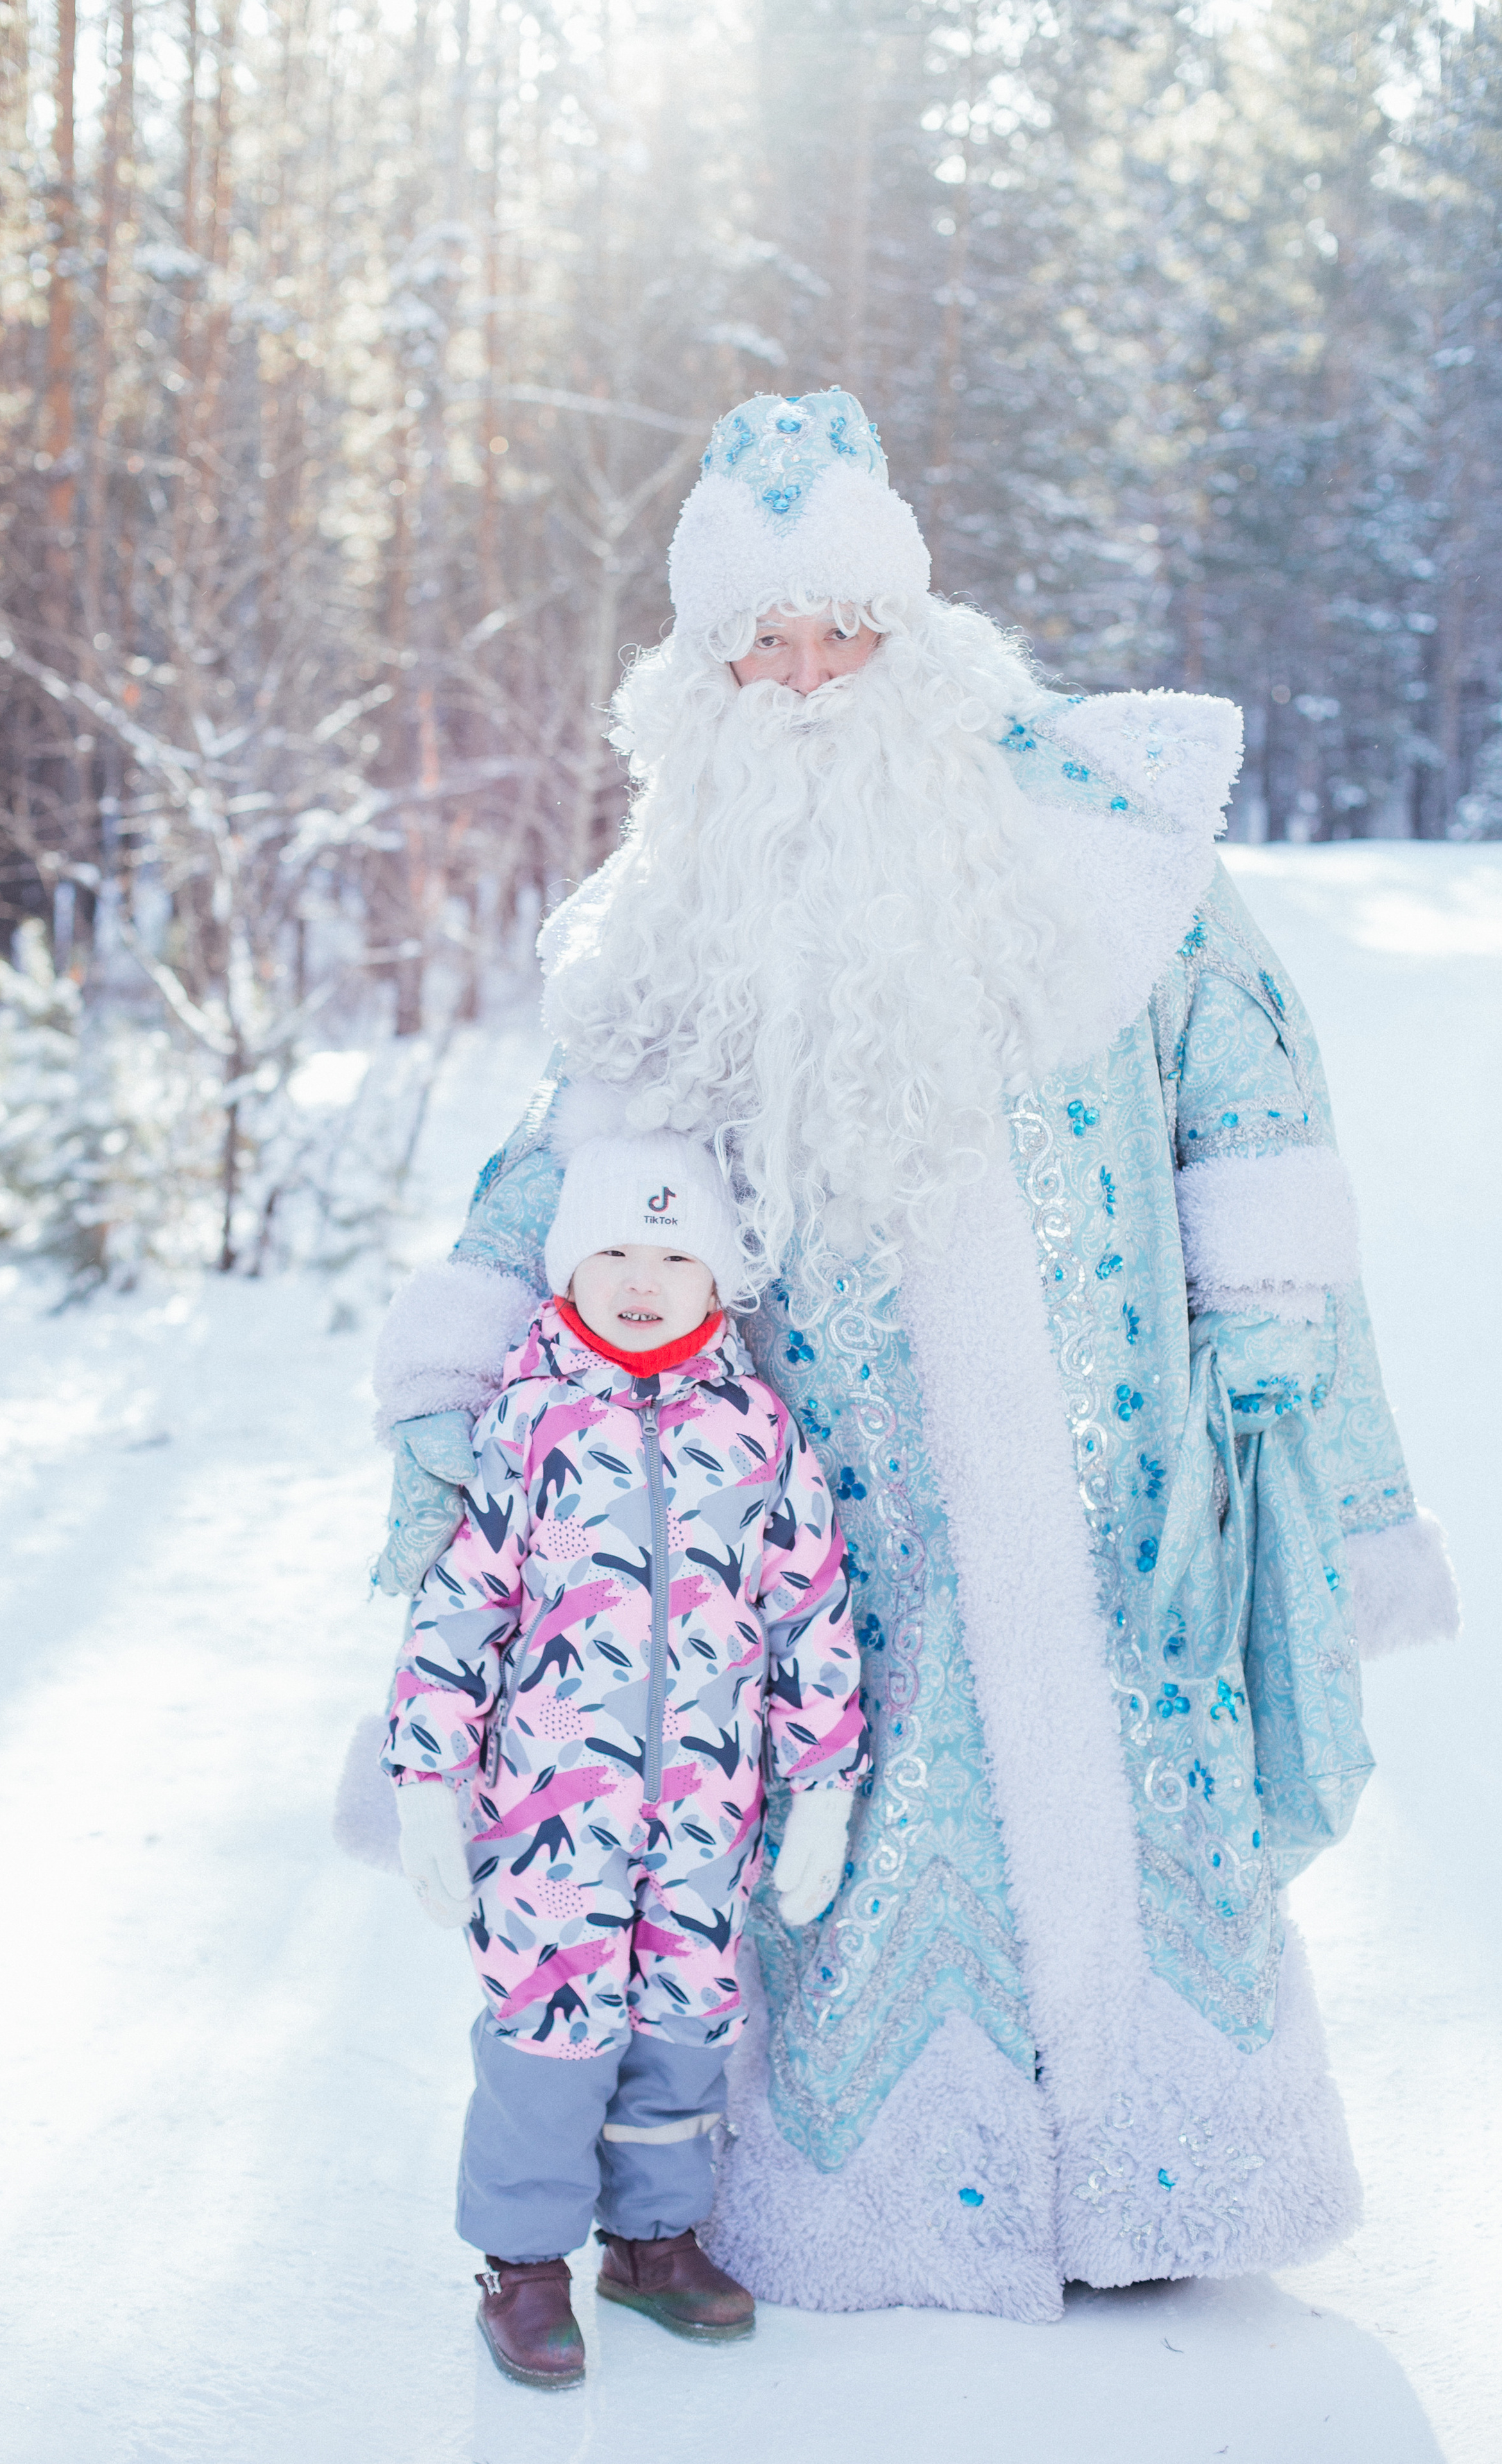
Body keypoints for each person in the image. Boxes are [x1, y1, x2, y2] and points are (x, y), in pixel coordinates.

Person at [364, 388, 1460, 2322]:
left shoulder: (1104, 846)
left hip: (1113, 1459)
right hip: (829, 1492)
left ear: (914, 628)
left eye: (840, 630)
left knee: (1128, 1771)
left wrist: (1270, 1327)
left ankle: (1171, 2185)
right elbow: (569, 1169)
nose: (805, 680)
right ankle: (893, 2206)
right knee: (876, 1821)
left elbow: (1242, 1067)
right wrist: (463, 1373)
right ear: (701, 675)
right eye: (758, 647)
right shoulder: (672, 916)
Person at [384, 1120, 868, 2386]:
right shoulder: (527, 1426)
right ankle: (524, 2263)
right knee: (550, 2024)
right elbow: (458, 1610)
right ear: (564, 1269)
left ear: (719, 1277)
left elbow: (806, 1606)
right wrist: (426, 1785)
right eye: (610, 1248)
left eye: (672, 1250)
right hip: (549, 1804)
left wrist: (820, 1785)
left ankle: (652, 2242)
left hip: (706, 1807)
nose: (640, 1278)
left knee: (687, 2017)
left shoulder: (758, 1434)